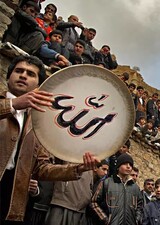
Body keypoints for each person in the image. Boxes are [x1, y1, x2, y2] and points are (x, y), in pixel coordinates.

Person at [0, 55, 98, 224]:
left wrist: (77, 169)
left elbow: (42, 168)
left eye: (31, 74)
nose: (23, 75)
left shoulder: (38, 123)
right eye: (18, 71)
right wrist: (13, 104)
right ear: (8, 77)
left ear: (38, 86)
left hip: (11, 201)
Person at [91, 153, 143, 225]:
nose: (128, 166)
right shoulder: (106, 183)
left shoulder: (135, 187)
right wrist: (105, 219)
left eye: (130, 165)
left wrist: (136, 220)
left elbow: (140, 206)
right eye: (125, 164)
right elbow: (94, 202)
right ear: (118, 166)